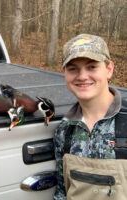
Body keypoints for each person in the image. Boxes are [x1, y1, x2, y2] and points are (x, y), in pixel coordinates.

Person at [53, 34, 125, 199]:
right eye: (73, 69)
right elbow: (62, 193)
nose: (82, 76)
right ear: (64, 73)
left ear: (109, 69)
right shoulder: (63, 131)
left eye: (92, 67)